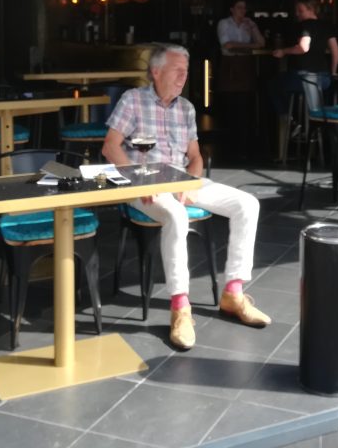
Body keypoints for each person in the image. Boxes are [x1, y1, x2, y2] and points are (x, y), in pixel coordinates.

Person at [102, 44, 271, 351]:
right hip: (142, 185)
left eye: (186, 71)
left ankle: (233, 292)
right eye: (177, 70)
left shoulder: (186, 108)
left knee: (248, 204)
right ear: (156, 72)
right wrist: (140, 181)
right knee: (178, 217)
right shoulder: (133, 100)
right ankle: (180, 307)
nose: (183, 77)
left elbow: (195, 157)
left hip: (181, 180)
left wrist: (189, 180)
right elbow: (111, 147)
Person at [268, 0, 338, 159]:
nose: (297, 14)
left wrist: (283, 51)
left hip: (303, 78)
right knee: (316, 100)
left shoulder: (305, 26)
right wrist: (333, 72)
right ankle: (317, 130)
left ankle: (291, 121)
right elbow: (335, 51)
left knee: (272, 85)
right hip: (324, 80)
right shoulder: (326, 26)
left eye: (300, 10)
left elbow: (303, 47)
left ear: (310, 9)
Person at [215, 0, 266, 157]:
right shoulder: (224, 24)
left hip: (245, 65)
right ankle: (230, 143)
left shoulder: (248, 24)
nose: (243, 11)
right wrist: (250, 47)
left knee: (246, 103)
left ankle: (245, 143)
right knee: (231, 103)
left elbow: (261, 43)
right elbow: (227, 45)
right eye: (239, 7)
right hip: (230, 64)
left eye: (244, 8)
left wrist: (253, 27)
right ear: (232, 9)